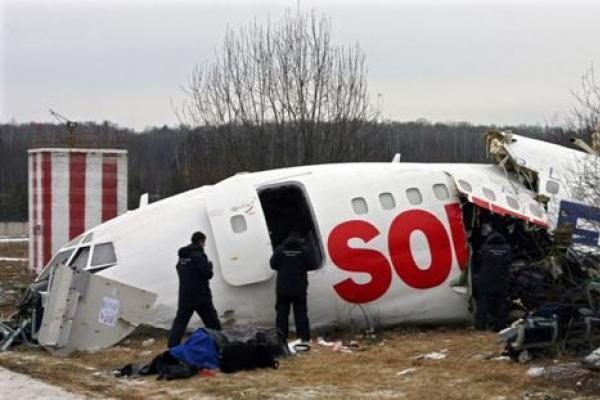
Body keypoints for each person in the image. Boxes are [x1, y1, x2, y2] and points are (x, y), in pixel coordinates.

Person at [168, 231, 222, 348]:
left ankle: (173, 344)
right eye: (204, 242)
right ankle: (220, 342)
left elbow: (180, 270)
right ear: (201, 241)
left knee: (180, 322)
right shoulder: (199, 255)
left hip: (185, 295)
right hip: (201, 295)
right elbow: (207, 274)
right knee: (212, 321)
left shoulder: (183, 256)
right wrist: (210, 267)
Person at [270, 232, 317, 345]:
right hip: (299, 287)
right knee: (301, 313)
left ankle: (281, 339)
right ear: (300, 239)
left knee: (281, 314)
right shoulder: (304, 250)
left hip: (283, 288)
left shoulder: (279, 250)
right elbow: (313, 265)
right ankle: (304, 339)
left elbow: (273, 265)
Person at [474, 229, 513, 332]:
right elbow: (509, 262)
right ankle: (499, 326)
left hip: (486, 281)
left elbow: (478, 261)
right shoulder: (507, 249)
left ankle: (480, 326)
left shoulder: (485, 248)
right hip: (502, 281)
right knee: (501, 304)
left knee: (483, 304)